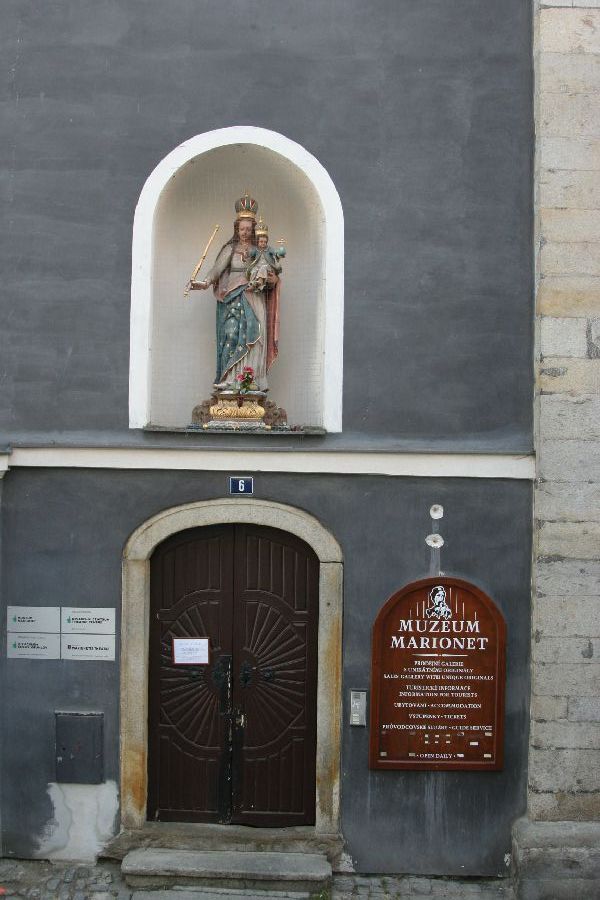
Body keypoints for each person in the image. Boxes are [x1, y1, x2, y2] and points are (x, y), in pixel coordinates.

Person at [189, 194, 280, 390]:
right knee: (231, 334)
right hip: (232, 298)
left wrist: (273, 280)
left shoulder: (261, 252)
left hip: (254, 298)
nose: (245, 233)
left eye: (248, 229)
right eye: (242, 229)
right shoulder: (230, 249)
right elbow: (216, 270)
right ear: (236, 229)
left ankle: (251, 381)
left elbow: (271, 274)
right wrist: (204, 283)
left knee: (255, 336)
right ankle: (230, 379)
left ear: (254, 230)